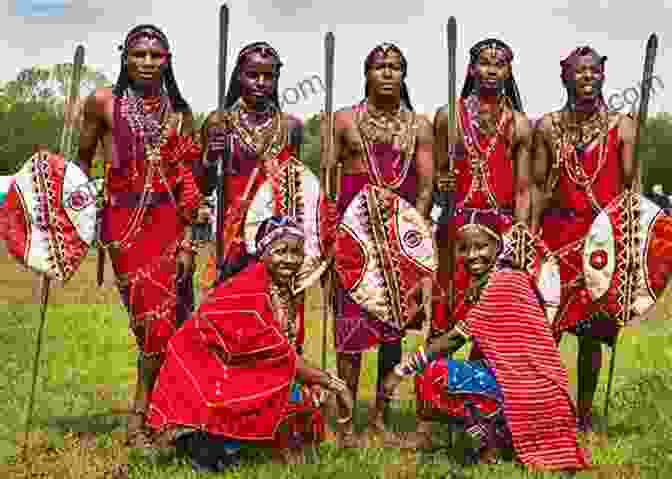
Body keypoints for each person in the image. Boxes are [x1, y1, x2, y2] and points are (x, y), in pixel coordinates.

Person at [382, 209, 590, 471]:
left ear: (498, 246)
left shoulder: (502, 283)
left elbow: (453, 340)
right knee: (469, 368)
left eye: (481, 247)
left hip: (532, 398)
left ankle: (489, 443)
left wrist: (400, 371)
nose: (472, 255)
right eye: (464, 248)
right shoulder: (506, 277)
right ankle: (496, 439)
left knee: (433, 375)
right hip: (539, 396)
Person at [76, 24, 202, 447]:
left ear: (167, 61)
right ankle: (149, 413)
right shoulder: (102, 103)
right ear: (124, 57)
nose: (147, 62)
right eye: (138, 54)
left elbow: (187, 180)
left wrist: (187, 239)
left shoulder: (180, 113)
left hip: (170, 223)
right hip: (125, 225)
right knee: (149, 322)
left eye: (156, 55)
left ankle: (152, 415)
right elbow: (81, 164)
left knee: (171, 320)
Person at [146, 216, 354, 471]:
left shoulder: (280, 288)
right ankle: (212, 442)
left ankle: (243, 443)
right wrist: (333, 383)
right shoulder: (250, 292)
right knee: (297, 393)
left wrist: (316, 381)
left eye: (296, 252)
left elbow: (281, 353)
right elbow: (279, 356)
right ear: (262, 252)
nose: (289, 259)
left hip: (238, 369)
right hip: (210, 376)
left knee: (306, 393)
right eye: (281, 251)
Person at [321, 43, 434, 445]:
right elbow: (329, 184)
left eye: (396, 67)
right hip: (354, 241)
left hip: (398, 245)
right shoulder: (344, 121)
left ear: (404, 75)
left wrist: (411, 239)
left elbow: (425, 189)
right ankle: (347, 418)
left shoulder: (419, 125)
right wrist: (331, 236)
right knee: (350, 333)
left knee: (391, 334)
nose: (387, 73)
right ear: (366, 72)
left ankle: (382, 417)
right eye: (380, 67)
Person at [426, 37, 534, 441]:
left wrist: (520, 234)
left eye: (500, 63)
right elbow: (435, 178)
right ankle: (429, 412)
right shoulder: (447, 117)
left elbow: (523, 188)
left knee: (493, 322)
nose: (491, 70)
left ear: (509, 71)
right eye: (483, 63)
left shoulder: (520, 124)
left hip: (500, 232)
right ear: (470, 69)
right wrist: (442, 183)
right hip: (455, 228)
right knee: (445, 314)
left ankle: (485, 409)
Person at [534, 46, 638, 432]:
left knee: (593, 333)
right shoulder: (547, 127)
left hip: (602, 241)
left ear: (603, 75)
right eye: (580, 72)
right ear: (565, 76)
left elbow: (631, 189)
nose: (588, 77)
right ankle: (543, 409)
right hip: (557, 238)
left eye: (594, 71)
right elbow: (537, 187)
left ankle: (584, 414)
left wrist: (631, 238)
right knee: (548, 327)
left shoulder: (623, 126)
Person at [199, 42, 304, 286]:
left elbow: (295, 186)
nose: (260, 82)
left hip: (278, 236)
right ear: (239, 76)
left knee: (272, 312)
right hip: (231, 237)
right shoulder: (218, 122)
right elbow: (203, 187)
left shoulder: (291, 127)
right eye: (252, 74)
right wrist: (210, 157)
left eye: (268, 76)